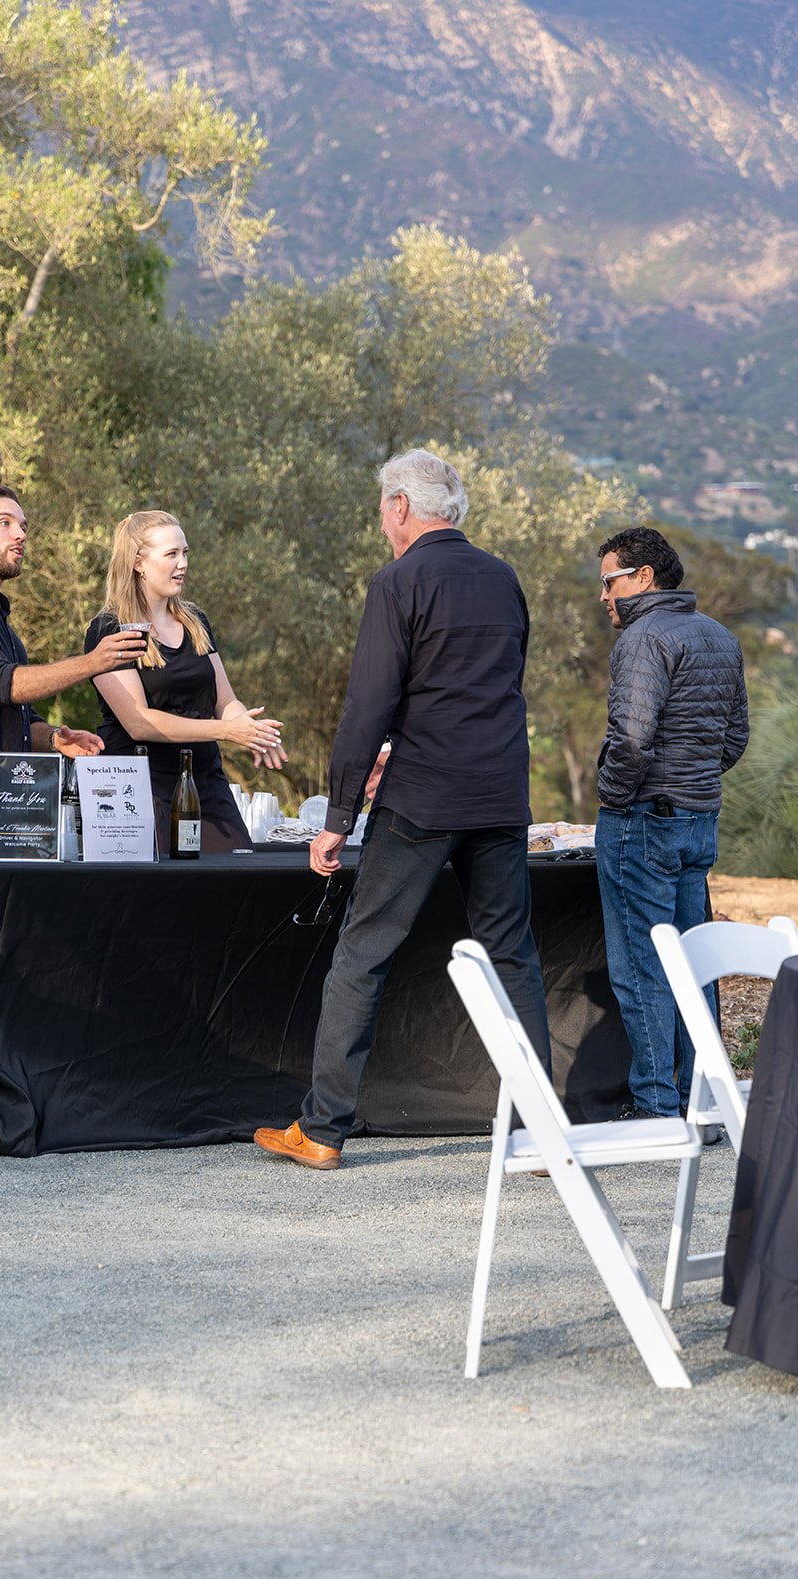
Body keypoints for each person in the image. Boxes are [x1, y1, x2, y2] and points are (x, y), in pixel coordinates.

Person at [253, 448, 551, 1170]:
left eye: (381, 509)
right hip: (499, 795)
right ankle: (548, 1132)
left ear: (398, 507)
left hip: (422, 799)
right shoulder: (502, 577)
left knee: (362, 954)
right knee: (511, 956)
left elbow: (367, 711)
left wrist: (336, 819)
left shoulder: (398, 581)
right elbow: (490, 688)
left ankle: (322, 1129)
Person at [595, 525, 748, 1119]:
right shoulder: (720, 636)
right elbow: (734, 738)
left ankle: (657, 1107)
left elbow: (631, 741)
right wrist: (694, 780)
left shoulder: (642, 638)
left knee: (642, 964)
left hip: (642, 821)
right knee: (696, 965)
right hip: (697, 820)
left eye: (610, 582)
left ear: (643, 578)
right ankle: (700, 1102)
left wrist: (613, 797)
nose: (604, 596)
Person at [0, 486, 129, 848]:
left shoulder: (1, 623)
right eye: (5, 523)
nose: (20, 535)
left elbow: (19, 715)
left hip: (7, 808)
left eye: (23, 526)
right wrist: (94, 662)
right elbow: (6, 685)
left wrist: (53, 738)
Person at [84, 510, 286, 852]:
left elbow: (225, 701)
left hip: (203, 777)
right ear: (138, 563)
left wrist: (251, 730)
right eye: (171, 554)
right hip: (141, 785)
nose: (183, 564)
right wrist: (226, 731)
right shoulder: (109, 629)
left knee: (237, 872)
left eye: (185, 553)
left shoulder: (196, 621)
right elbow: (139, 723)